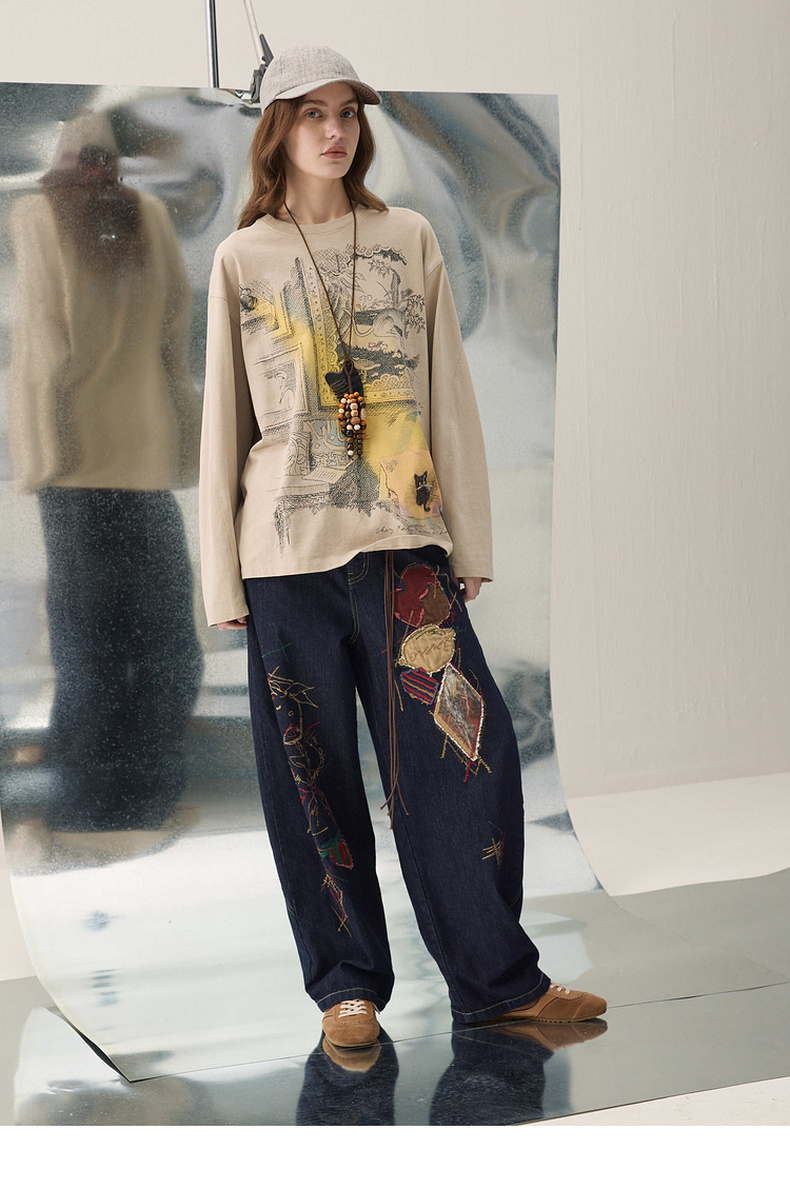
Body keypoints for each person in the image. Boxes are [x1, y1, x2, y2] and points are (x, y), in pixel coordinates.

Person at [199, 45, 606, 1050]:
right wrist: (222, 578)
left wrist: (467, 535)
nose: (335, 130)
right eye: (312, 114)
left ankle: (498, 979)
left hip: (403, 545)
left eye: (347, 113)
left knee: (467, 756)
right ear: (278, 131)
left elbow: (449, 395)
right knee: (311, 778)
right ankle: (346, 989)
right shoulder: (243, 257)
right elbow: (222, 426)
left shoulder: (408, 236)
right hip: (285, 558)